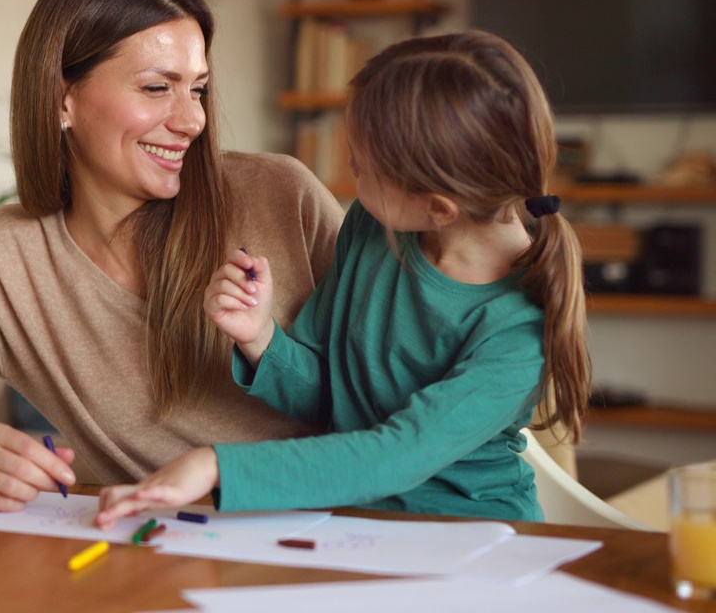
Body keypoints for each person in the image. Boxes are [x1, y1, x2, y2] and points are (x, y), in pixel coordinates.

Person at [0, 0, 343, 512]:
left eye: (199, 89)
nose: (192, 120)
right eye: (158, 87)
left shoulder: (283, 195)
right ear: (63, 99)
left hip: (345, 535)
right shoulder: (7, 257)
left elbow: (401, 402)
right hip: (164, 565)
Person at [96, 30, 592, 525]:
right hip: (349, 523)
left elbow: (397, 454)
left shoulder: (519, 323)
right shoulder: (376, 227)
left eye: (364, 167)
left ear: (438, 207)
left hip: (470, 534)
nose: (350, 163)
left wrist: (214, 464)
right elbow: (331, 393)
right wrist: (261, 337)